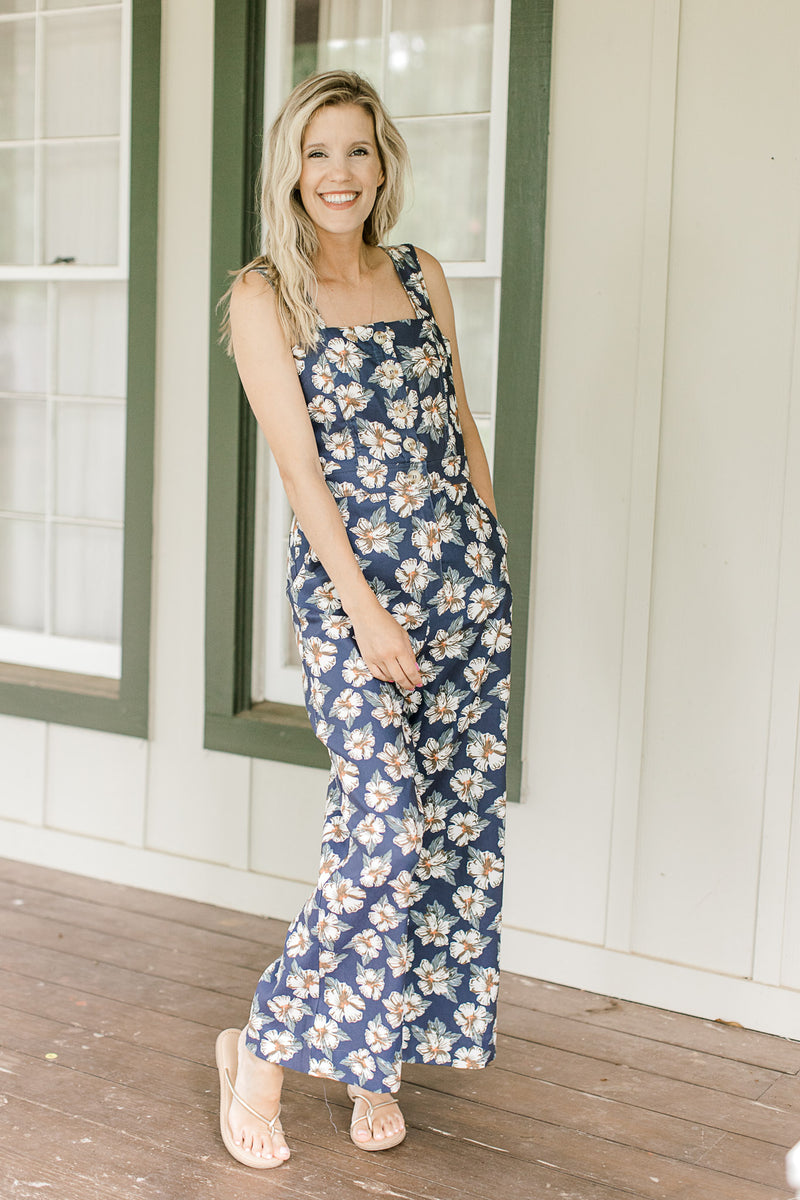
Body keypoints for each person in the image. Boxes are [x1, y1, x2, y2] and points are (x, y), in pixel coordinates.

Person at [215, 69, 512, 1169]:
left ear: (381, 163)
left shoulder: (420, 273)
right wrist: (364, 613)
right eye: (316, 153)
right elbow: (301, 476)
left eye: (356, 151)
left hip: (464, 592)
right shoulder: (263, 296)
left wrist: (489, 551)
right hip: (357, 599)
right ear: (288, 169)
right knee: (377, 835)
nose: (337, 174)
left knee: (443, 840)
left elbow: (457, 427)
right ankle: (262, 1053)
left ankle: (369, 1061)